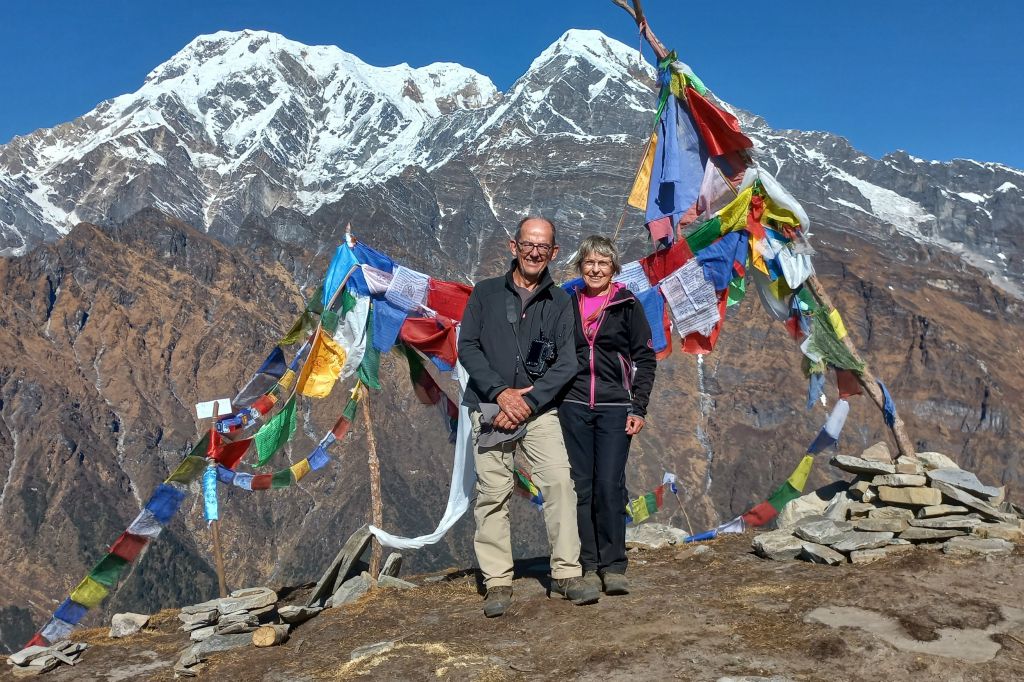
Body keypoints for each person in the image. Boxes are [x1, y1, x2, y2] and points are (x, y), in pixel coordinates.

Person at [458, 216, 600, 617]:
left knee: (558, 482)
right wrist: (501, 395)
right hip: (490, 406)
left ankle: (567, 574)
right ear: (513, 247)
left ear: (554, 253)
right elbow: (467, 348)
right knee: (493, 491)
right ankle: (498, 581)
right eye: (528, 244)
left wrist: (529, 400)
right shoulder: (484, 294)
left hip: (539, 410)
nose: (535, 252)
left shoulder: (560, 302)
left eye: (543, 246)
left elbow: (567, 361)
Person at [560, 235, 656, 595]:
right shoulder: (566, 302)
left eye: (603, 263)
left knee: (609, 486)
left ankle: (614, 564)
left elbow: (645, 358)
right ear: (580, 267)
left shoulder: (627, 305)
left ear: (614, 268)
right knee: (580, 487)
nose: (595, 269)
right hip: (573, 405)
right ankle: (587, 564)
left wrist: (639, 407)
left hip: (616, 407)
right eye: (589, 262)